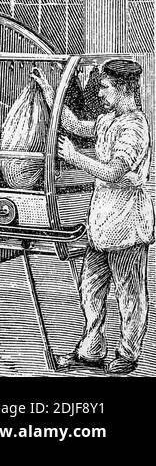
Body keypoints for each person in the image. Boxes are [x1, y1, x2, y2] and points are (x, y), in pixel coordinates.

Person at [35, 58, 151, 375]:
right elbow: (74, 126)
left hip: (127, 225)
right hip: (101, 225)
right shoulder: (108, 121)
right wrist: (50, 93)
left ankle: (127, 354)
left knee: (130, 295)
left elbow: (114, 173)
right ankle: (92, 349)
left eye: (105, 87)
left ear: (125, 88)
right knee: (90, 290)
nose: (99, 93)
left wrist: (74, 157)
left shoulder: (135, 129)